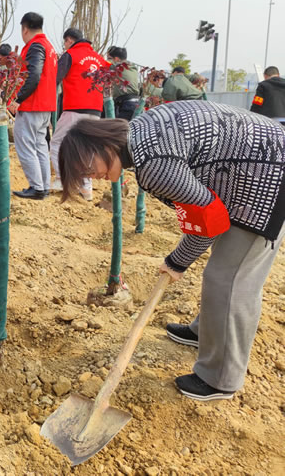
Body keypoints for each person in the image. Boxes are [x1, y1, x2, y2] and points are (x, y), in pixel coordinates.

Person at [57, 101, 285, 401]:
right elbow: (205, 207)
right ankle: (207, 332)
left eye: (88, 166)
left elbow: (208, 220)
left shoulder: (153, 165)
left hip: (268, 177)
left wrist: (177, 261)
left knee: (229, 277)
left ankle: (220, 378)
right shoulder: (141, 131)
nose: (91, 176)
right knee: (223, 268)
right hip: (249, 170)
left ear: (103, 144)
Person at [50, 27, 108, 200]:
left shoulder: (71, 55)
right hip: (96, 109)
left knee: (57, 142)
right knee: (87, 148)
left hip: (75, 107)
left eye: (65, 42)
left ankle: (62, 179)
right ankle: (86, 187)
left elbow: (55, 78)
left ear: (69, 40)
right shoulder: (100, 59)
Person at [9, 12, 58, 200]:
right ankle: (43, 186)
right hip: (46, 106)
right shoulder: (49, 46)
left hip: (32, 105)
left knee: (26, 145)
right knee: (39, 146)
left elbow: (34, 75)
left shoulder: (35, 46)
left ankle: (36, 187)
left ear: (25, 28)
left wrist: (18, 99)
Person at [105, 46, 140, 120]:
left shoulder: (117, 67)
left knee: (119, 129)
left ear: (117, 59)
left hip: (126, 105)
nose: (107, 60)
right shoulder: (132, 68)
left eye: (109, 58)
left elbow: (102, 64)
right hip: (135, 103)